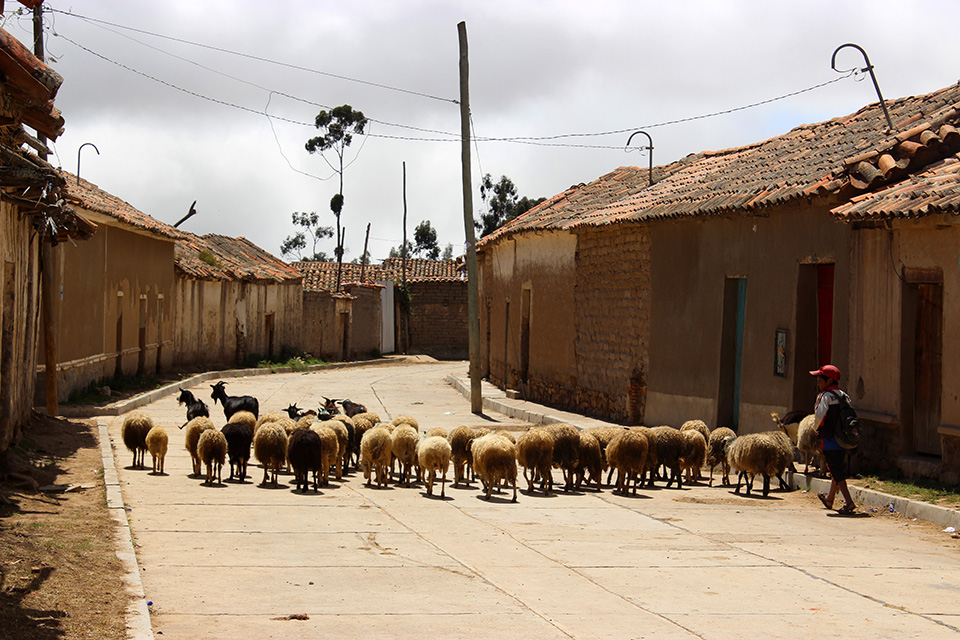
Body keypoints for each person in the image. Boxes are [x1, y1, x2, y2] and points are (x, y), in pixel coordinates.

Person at [810, 364, 856, 514]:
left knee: (836, 471)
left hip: (830, 439)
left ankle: (849, 502)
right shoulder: (844, 395)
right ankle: (830, 499)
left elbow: (819, 417)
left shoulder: (825, 396)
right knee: (836, 468)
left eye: (820, 379)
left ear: (829, 380)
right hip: (843, 439)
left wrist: (815, 430)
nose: (818, 383)